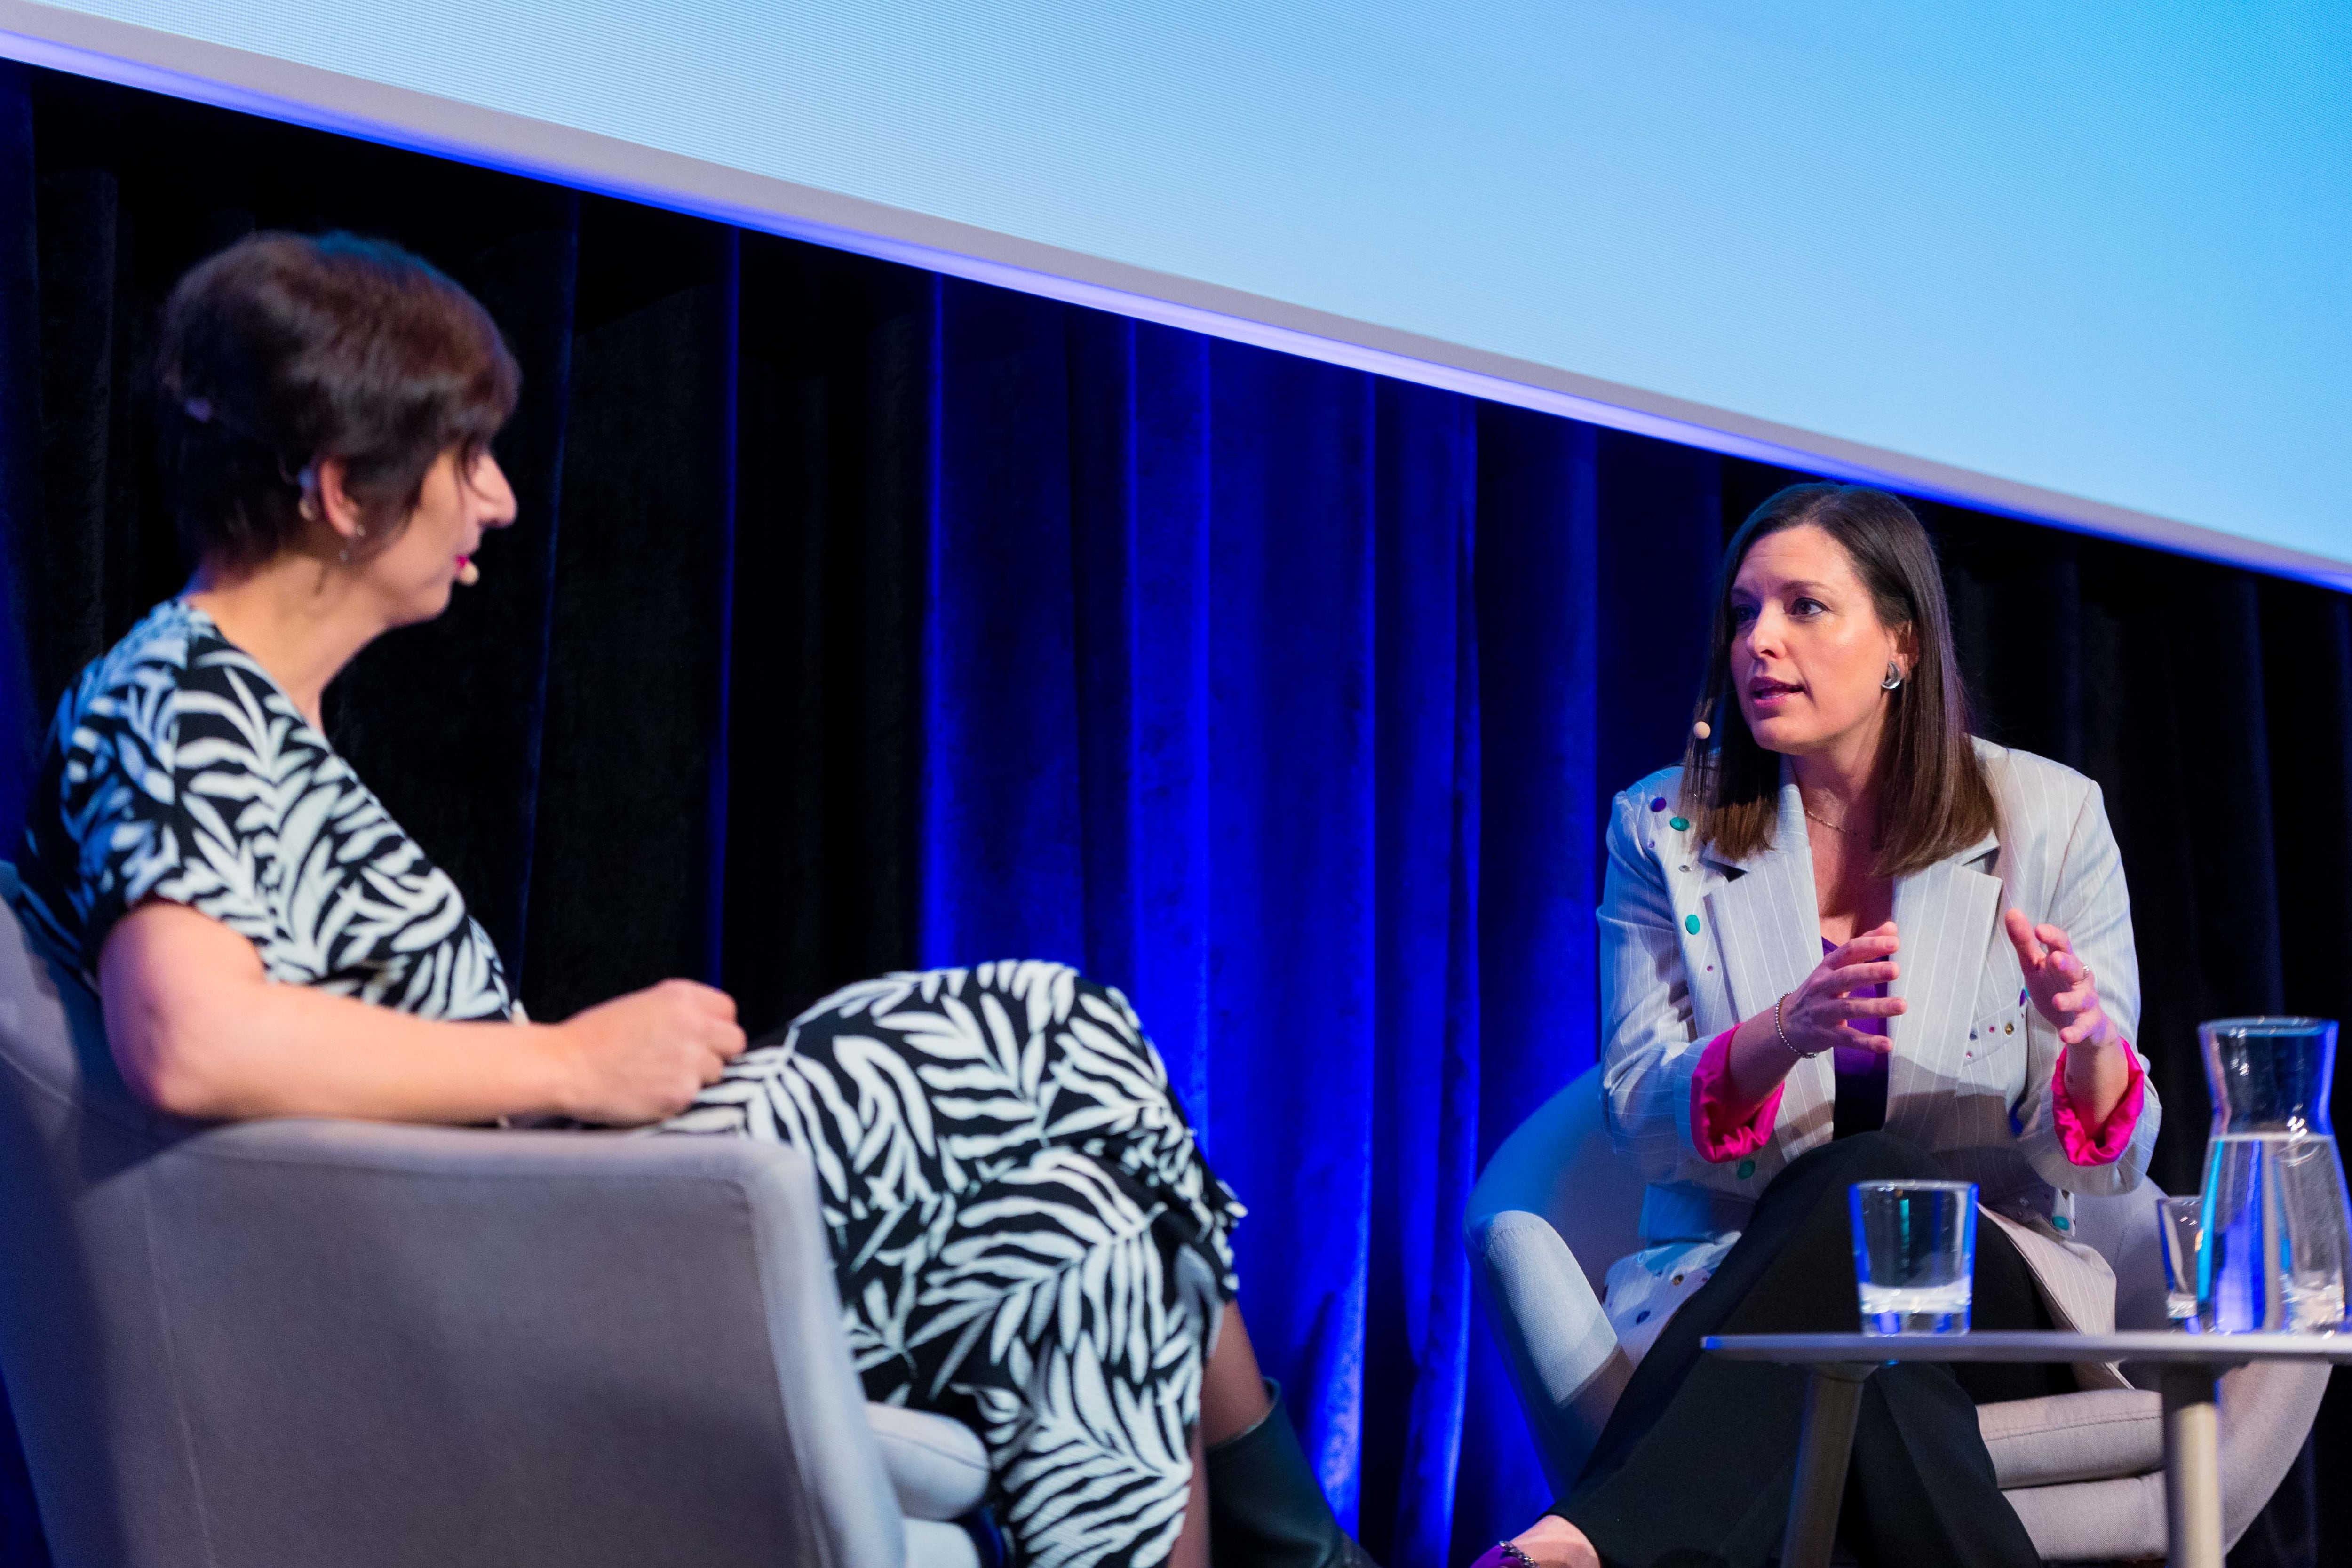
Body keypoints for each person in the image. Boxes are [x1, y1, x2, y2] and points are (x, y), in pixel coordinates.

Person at [8, 232, 1372, 1568]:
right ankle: (1302, 1542)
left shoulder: (244, 712)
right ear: (346, 492)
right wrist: (573, 1059)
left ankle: (1299, 1544)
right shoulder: (180, 696)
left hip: (542, 1221)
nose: (498, 502)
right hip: (518, 1252)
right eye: (465, 458)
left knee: (1084, 1231)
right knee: (1051, 1025)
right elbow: (186, 1035)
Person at [1480, 484, 2158, 1568]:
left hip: (1990, 1288)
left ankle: (1583, 1539)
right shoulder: (1665, 828)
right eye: (1742, 612)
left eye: (1803, 608)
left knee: (1877, 1175)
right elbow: (1637, 1118)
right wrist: (1780, 1033)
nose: (1758, 642)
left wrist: (2084, 1044)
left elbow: (2118, 1159)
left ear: (1899, 641)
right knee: (1875, 1393)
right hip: (1751, 1287)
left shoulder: (2051, 815)